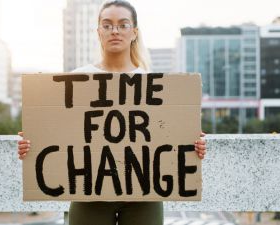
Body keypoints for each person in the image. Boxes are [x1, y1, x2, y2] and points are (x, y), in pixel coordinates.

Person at [17, 1, 207, 224]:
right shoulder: (77, 79)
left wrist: (194, 146)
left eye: (123, 25)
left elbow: (168, 139)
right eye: (107, 25)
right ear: (98, 32)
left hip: (144, 194)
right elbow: (58, 134)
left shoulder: (153, 84)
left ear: (134, 32)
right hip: (88, 193)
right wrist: (32, 145)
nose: (115, 31)